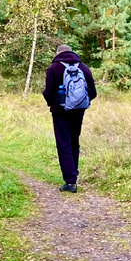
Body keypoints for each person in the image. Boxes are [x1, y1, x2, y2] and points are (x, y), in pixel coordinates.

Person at [42, 43, 96, 193]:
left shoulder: (54, 68)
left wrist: (53, 104)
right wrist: (82, 104)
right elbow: (93, 92)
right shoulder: (83, 68)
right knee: (74, 143)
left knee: (63, 144)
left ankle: (70, 181)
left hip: (60, 112)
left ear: (58, 53)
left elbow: (48, 92)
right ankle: (73, 174)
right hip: (79, 112)